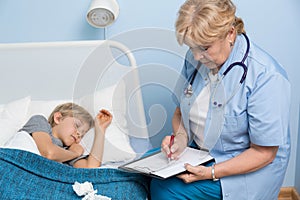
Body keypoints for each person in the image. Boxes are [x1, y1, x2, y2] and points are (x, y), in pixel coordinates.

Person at [150, 0, 291, 199]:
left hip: (243, 170)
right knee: (146, 168)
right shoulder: (196, 59)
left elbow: (264, 153)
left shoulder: (266, 76)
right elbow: (180, 112)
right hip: (201, 155)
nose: (197, 57)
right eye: (192, 48)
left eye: (205, 48)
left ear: (230, 33)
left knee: (165, 190)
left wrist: (211, 172)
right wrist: (180, 139)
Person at [19, 102, 113, 168]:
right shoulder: (40, 122)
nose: (79, 134)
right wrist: (74, 153)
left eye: (82, 135)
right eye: (77, 125)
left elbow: (91, 167)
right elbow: (48, 153)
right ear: (58, 118)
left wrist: (100, 130)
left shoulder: (67, 151)